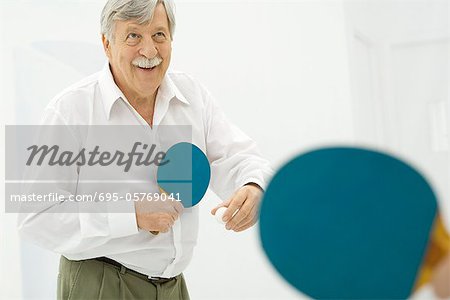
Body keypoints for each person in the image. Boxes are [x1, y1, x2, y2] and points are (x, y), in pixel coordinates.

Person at [17, 0, 272, 299]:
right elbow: (34, 217)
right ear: (106, 44)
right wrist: (130, 214)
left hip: (174, 286)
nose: (149, 51)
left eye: (159, 35)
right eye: (133, 36)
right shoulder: (70, 111)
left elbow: (238, 157)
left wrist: (253, 186)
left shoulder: (193, 97)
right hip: (100, 284)